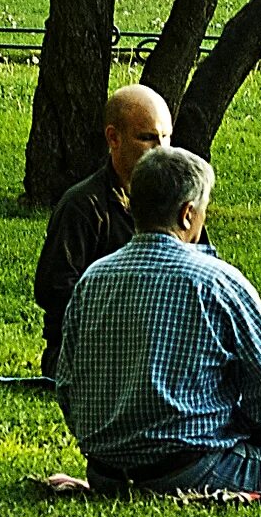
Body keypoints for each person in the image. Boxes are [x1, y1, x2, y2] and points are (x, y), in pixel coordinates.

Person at [55, 147, 261, 495]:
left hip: (106, 472)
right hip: (193, 469)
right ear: (187, 214)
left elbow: (66, 383)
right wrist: (253, 426)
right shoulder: (216, 282)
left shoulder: (92, 278)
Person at [34, 82, 171, 376]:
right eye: (147, 138)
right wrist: (128, 317)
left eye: (166, 137)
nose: (160, 150)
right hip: (94, 347)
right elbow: (55, 290)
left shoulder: (176, 203)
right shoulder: (83, 206)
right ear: (113, 138)